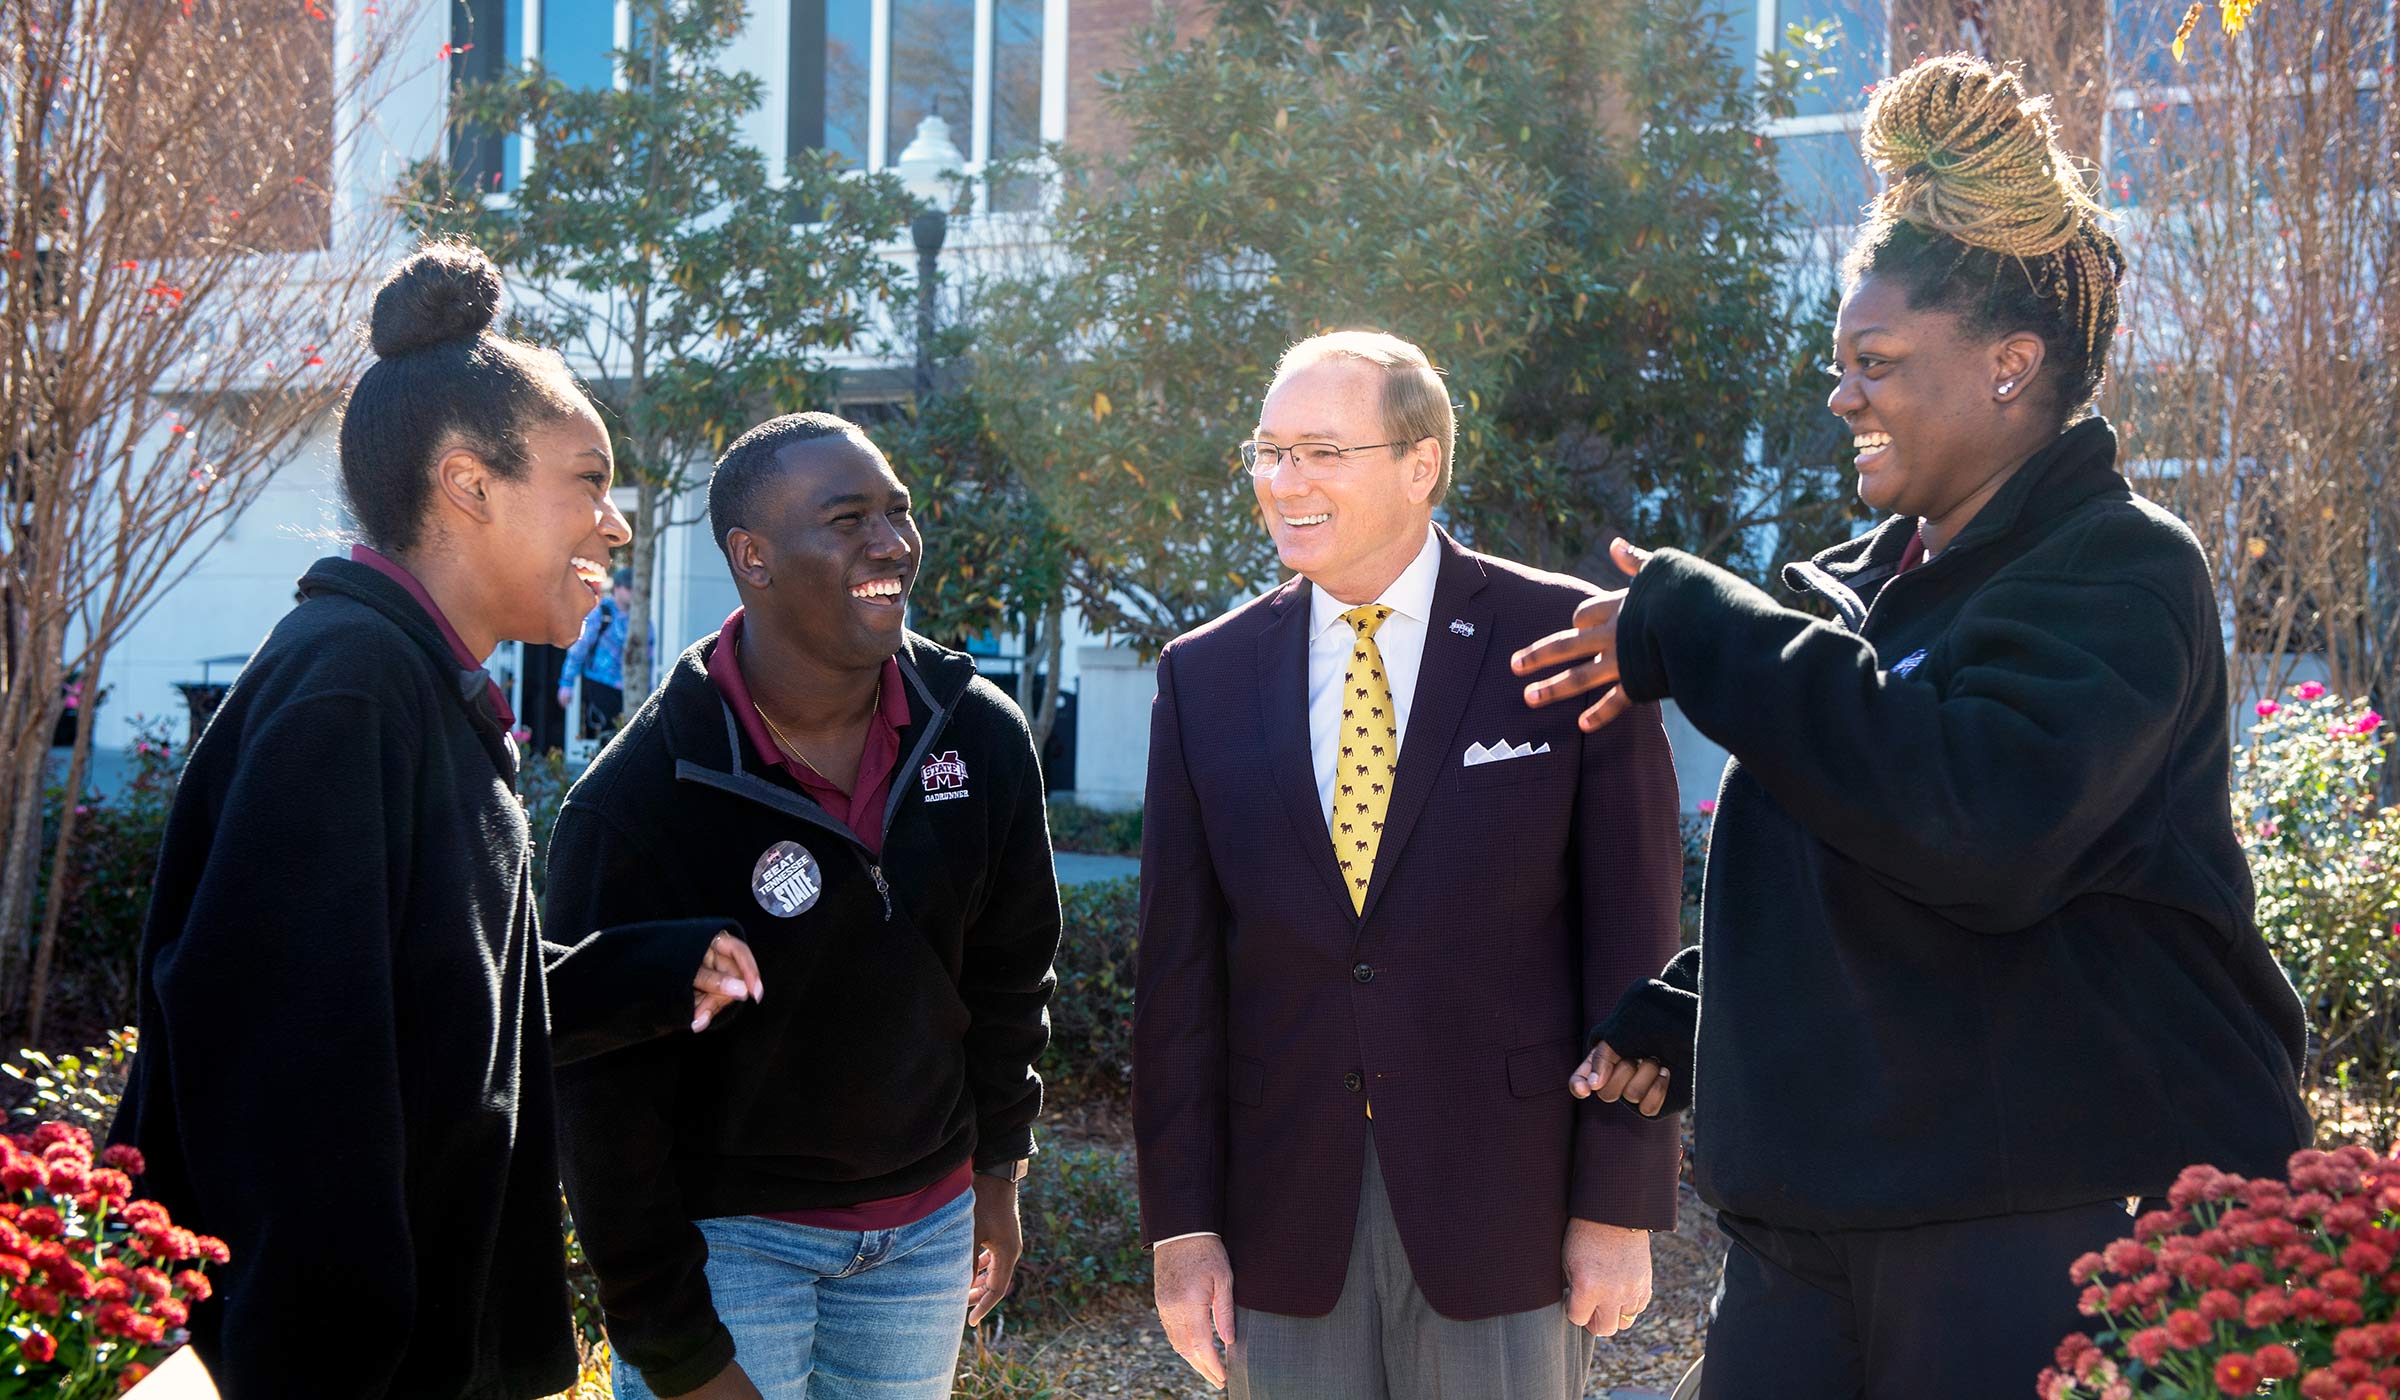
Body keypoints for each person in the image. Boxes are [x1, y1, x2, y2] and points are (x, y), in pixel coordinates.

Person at [1511, 55, 2312, 1400]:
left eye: (1875, 363)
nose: (1843, 397)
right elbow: (1869, 846)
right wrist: (1694, 1004)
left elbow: (1978, 822)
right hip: (1812, 1229)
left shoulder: (2118, 572)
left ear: (2010, 367)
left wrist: (1703, 623)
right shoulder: (1866, 593)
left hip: (2034, 1230)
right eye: (1840, 365)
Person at [108, 241, 761, 1400]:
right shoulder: (349, 691)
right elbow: (293, 1092)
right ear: (468, 482)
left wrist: (646, 974)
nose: (615, 525)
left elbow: (436, 998)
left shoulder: (417, 685)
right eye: (587, 480)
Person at [1134, 331, 1686, 1399]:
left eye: (1322, 451)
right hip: (1282, 1213)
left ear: (1420, 462)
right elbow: (1178, 979)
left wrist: (1618, 1201)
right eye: (1269, 450)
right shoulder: (1202, 675)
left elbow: (1636, 951)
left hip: (1509, 1205)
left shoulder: (1571, 637)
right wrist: (1184, 1226)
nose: (1285, 480)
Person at [549, 411, 1063, 1400]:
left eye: (897, 511)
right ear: (753, 555)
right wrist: (677, 1347)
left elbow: (1010, 971)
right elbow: (600, 1100)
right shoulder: (641, 795)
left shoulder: (981, 734)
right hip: (731, 1248)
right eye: (846, 517)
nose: (890, 541)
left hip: (926, 1234)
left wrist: (997, 1168)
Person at [559, 565, 635, 735]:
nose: (633, 593)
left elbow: (647, 658)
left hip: (629, 688)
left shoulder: (639, 618)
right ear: (617, 588)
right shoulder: (601, 613)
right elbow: (580, 649)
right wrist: (566, 683)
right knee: (606, 735)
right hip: (601, 683)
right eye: (629, 588)